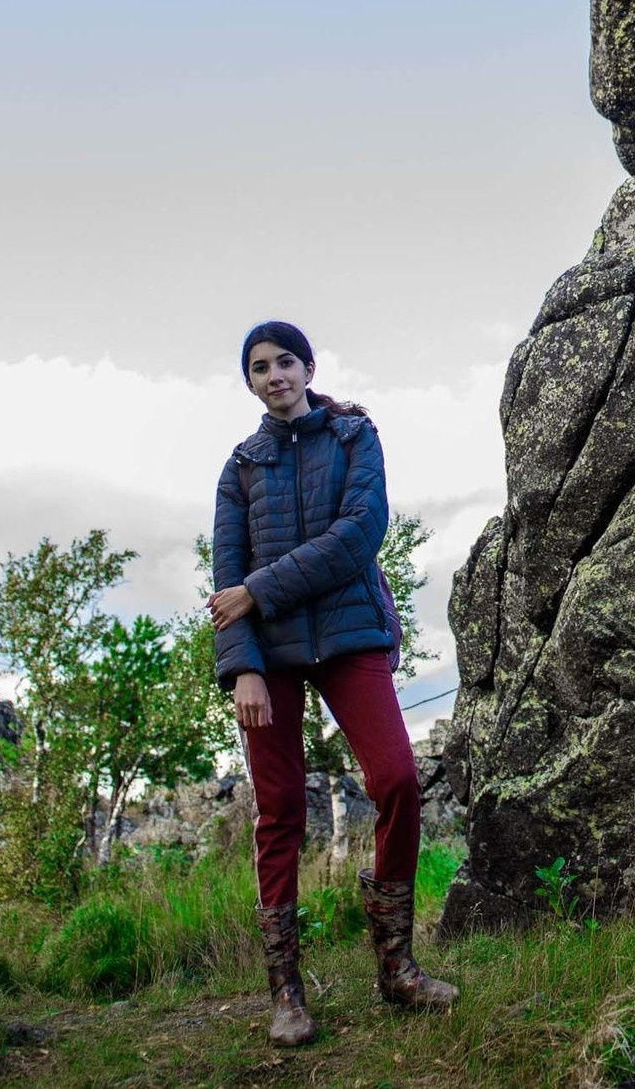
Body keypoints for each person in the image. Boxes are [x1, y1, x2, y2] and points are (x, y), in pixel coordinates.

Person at [209, 320, 456, 1048]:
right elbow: (227, 582)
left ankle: (398, 968)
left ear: (309, 366)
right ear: (250, 382)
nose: (275, 374)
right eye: (260, 367)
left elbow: (360, 535)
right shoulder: (241, 467)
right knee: (279, 810)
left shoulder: (353, 437)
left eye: (286, 360)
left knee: (398, 779)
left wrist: (258, 590)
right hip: (272, 659)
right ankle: (286, 993)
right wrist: (244, 664)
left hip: (351, 635)